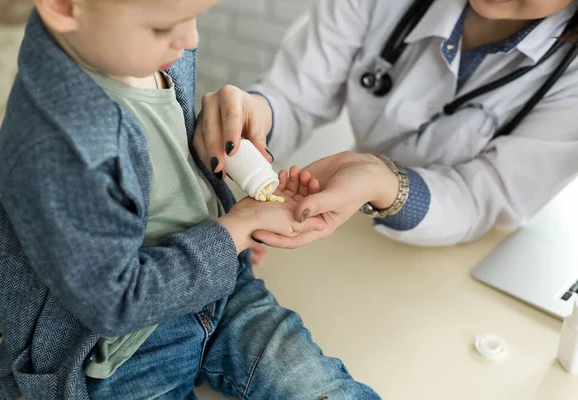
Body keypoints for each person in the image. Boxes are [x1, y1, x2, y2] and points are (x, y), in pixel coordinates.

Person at [0, 0, 382, 399]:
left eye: (196, 17)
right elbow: (114, 302)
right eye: (162, 27)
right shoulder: (50, 148)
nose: (190, 38)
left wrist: (236, 207)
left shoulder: (150, 57)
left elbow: (171, 166)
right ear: (64, 7)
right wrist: (230, 234)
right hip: (126, 351)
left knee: (324, 388)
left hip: (224, 294)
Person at [195, 0, 578, 248]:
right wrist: (254, 117)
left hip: (466, 256)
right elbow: (297, 94)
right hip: (349, 240)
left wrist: (386, 185)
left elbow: (483, 196)